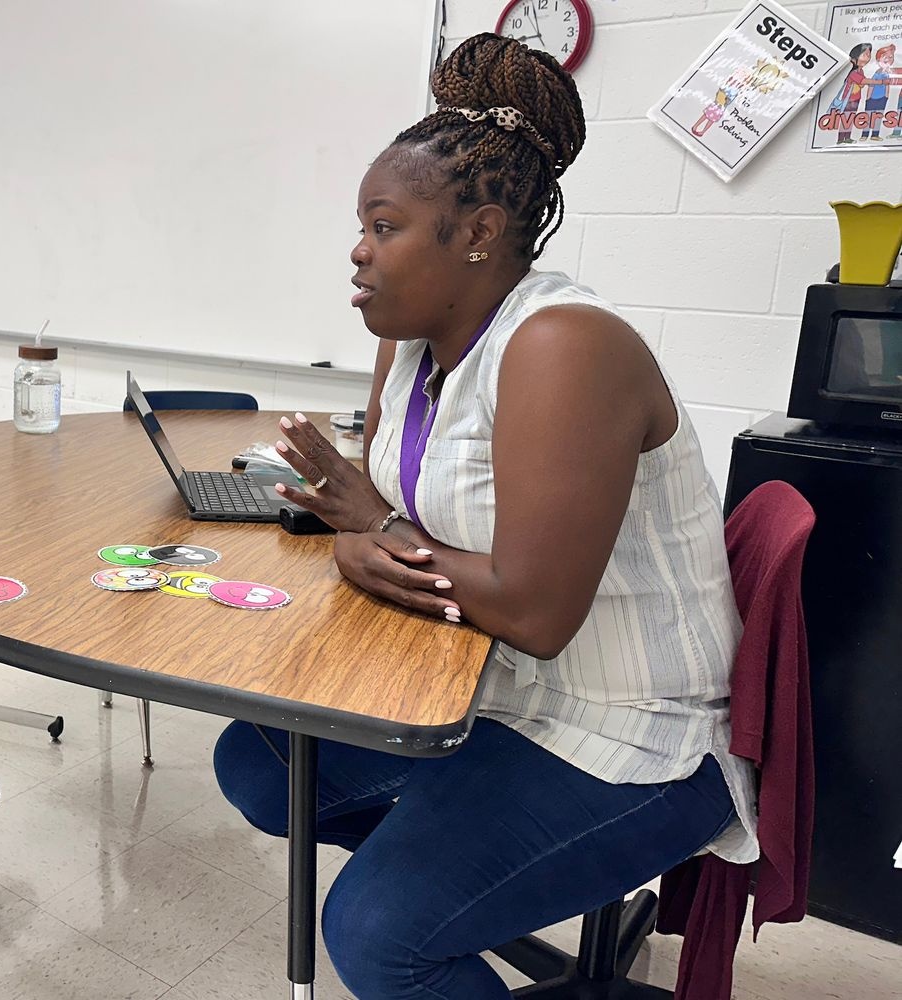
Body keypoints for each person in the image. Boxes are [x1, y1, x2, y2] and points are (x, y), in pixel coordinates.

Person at [212, 34, 757, 1000]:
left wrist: (378, 533)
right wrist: (362, 532)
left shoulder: (563, 345)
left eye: (384, 225)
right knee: (257, 761)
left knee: (379, 935)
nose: (358, 248)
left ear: (477, 232)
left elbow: (536, 613)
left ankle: (437, 906)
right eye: (362, 224)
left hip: (629, 733)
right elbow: (367, 526)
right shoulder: (413, 347)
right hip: (489, 689)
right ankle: (469, 875)